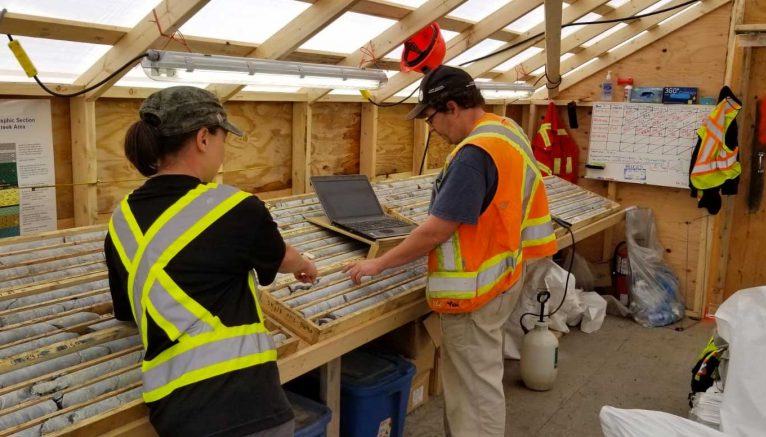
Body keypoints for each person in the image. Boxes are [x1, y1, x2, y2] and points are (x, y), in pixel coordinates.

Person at [344, 65, 557, 436]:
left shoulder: (474, 154)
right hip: (504, 276)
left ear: (453, 107)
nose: (432, 129)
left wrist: (378, 264)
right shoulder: (506, 131)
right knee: (477, 385)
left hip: (473, 295)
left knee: (473, 395)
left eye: (431, 118)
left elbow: (436, 232)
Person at [104, 86, 317, 437]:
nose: (222, 150)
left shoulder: (120, 223)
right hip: (248, 408)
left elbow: (128, 315)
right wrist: (306, 264)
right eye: (222, 139)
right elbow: (282, 257)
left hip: (174, 415)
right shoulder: (235, 208)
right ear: (203, 138)